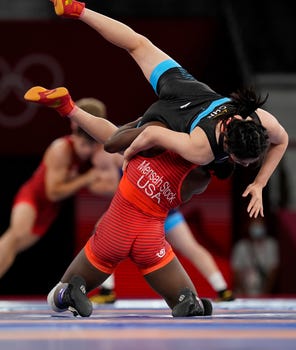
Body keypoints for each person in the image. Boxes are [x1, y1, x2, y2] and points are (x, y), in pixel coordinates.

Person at [49, 0, 288, 221]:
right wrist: (129, 154)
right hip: (175, 117)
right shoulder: (201, 150)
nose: (245, 166)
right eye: (242, 161)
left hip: (190, 91)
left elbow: (282, 140)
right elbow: (152, 137)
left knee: (138, 44)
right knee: (115, 143)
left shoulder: (262, 120)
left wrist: (259, 183)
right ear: (227, 143)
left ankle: (79, 11)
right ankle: (70, 105)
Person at [24, 85, 215, 318]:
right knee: (191, 298)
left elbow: (111, 141)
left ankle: (70, 292)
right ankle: (187, 299)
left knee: (57, 295)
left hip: (117, 227)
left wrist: (136, 127)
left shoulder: (148, 137)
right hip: (151, 237)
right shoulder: (199, 175)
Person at [0, 97, 122, 280]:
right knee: (15, 235)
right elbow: (53, 192)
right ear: (74, 130)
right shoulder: (61, 149)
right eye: (82, 145)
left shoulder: (100, 151)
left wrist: (93, 181)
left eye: (90, 145)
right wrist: (87, 179)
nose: (85, 152)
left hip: (50, 210)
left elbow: (112, 187)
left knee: (14, 247)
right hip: (33, 197)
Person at [91, 208, 234, 303]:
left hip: (144, 215)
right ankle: (223, 291)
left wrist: (88, 179)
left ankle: (106, 291)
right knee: (192, 249)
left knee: (105, 236)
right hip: (164, 213)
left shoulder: (124, 166)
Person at [231, 217, 279, 296]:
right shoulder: (241, 246)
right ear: (248, 226)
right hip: (243, 291)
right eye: (254, 225)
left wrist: (266, 292)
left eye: (260, 225)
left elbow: (274, 270)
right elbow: (235, 271)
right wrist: (244, 292)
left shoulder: (271, 244)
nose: (257, 228)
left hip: (263, 290)